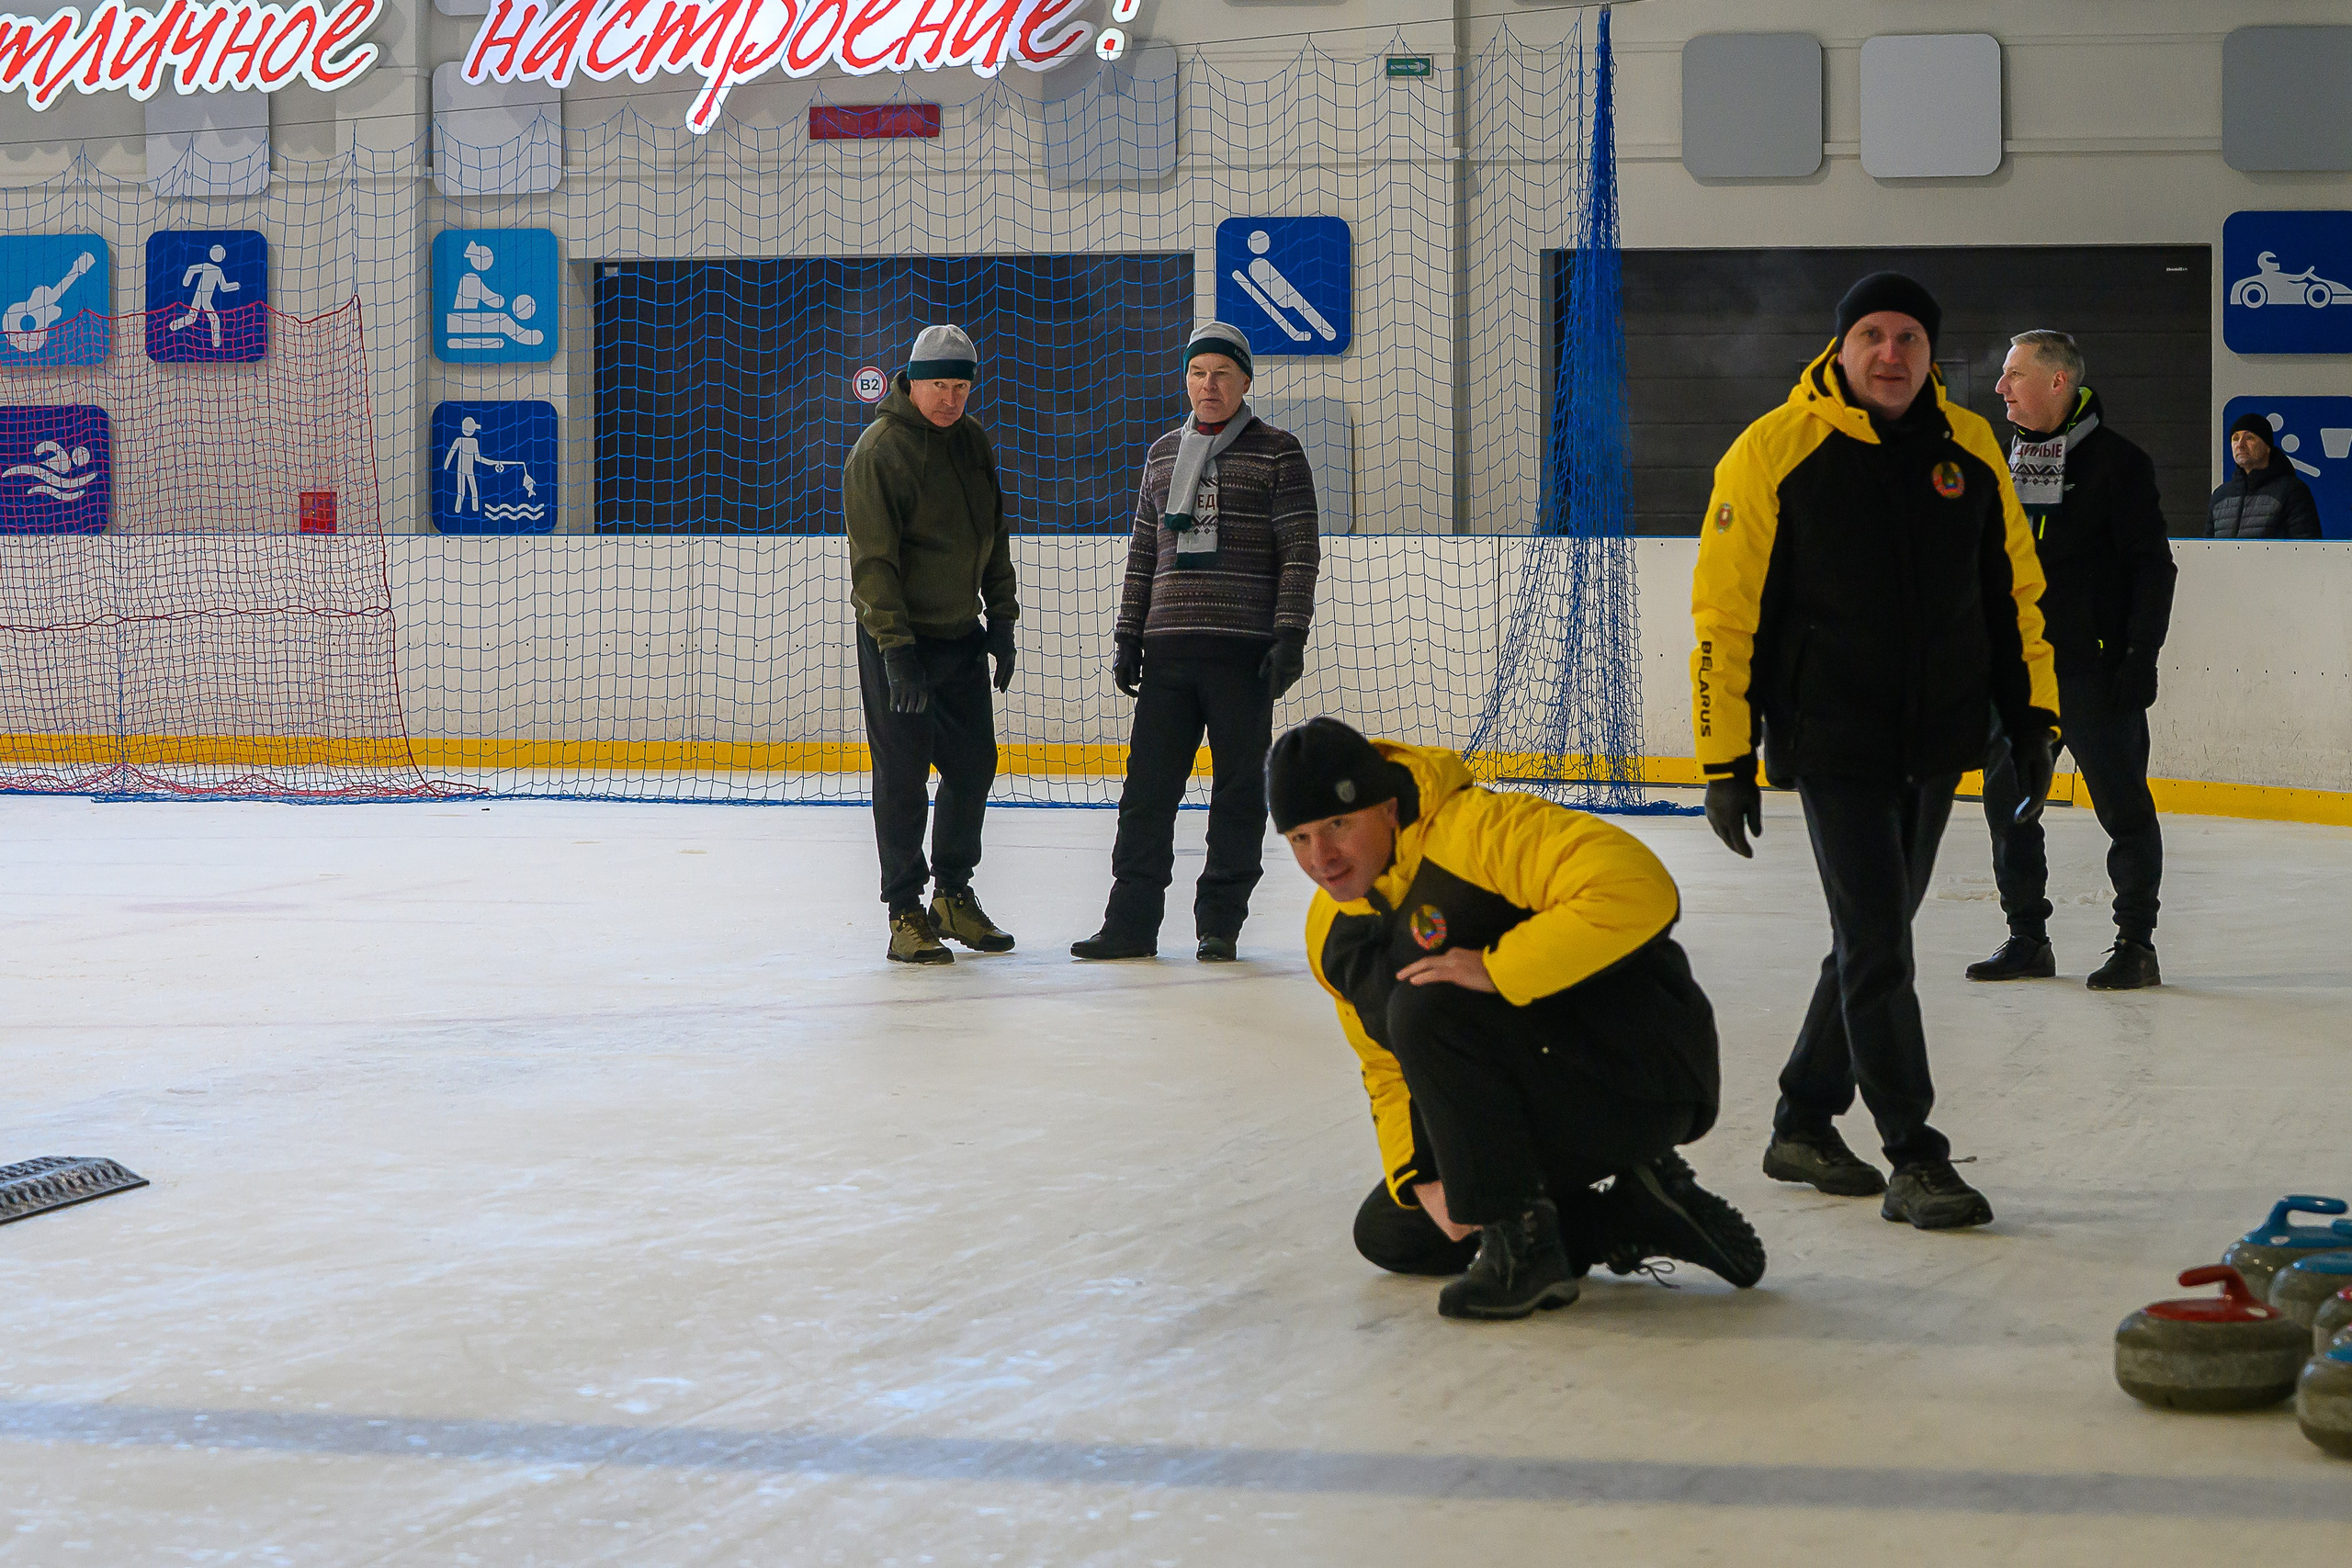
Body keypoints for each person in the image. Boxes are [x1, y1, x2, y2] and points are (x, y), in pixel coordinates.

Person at [1690, 272, 2060, 1231]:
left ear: (1930, 355)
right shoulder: (1774, 451)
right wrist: (1723, 759)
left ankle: (1803, 1120)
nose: (1890, 354)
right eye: (1872, 337)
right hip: (1831, 739)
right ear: (1840, 350)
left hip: (1937, 740)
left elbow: (2011, 596)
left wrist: (2033, 718)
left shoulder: (1970, 449)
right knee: (1877, 942)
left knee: (1873, 933)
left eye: (1908, 338)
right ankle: (1915, 1154)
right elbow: (1721, 622)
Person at [1273, 716, 1764, 1321]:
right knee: (1392, 1229)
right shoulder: (1332, 934)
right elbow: (1383, 1066)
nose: (1320, 857)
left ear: (1388, 809)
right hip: (1533, 1100)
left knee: (1425, 1003)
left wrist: (1497, 968)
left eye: (1337, 824)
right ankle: (1628, 1216)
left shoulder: (1479, 830)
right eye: (1298, 837)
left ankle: (1524, 1252)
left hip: (1641, 1077)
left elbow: (1642, 887)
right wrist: (1418, 1175)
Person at [1071, 321, 1319, 964]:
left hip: (1243, 652)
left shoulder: (1278, 451)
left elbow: (1299, 552)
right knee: (1146, 793)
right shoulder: (1161, 453)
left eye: (1222, 374)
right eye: (1198, 373)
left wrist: (1290, 634)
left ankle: (1220, 922)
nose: (1208, 385)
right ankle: (1129, 923)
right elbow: (1144, 552)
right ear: (1186, 379)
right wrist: (1128, 633)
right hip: (1169, 651)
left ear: (1245, 381)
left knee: (1239, 791)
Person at [1968, 331, 2177, 990]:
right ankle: (2027, 937)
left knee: (2123, 808)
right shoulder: (2004, 465)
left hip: (2094, 672)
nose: (2000, 387)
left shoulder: (2119, 464)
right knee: (2007, 806)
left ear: (2057, 381)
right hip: (2020, 673)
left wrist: (2140, 654)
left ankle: (2134, 943)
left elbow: (2153, 568)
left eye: (2013, 374)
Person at [845, 323, 1021, 965]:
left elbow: (993, 533)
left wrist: (1001, 617)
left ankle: (952, 894)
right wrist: (896, 651)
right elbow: (874, 564)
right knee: (902, 777)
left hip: (960, 637)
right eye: (938, 384)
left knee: (974, 765)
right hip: (901, 641)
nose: (949, 398)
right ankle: (904, 911)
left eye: (960, 385)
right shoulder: (879, 452)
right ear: (911, 381)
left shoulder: (972, 441)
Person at [2207, 412, 2322, 539]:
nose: (2240, 444)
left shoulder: (2291, 491)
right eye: (2235, 438)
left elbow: (2307, 548)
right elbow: (2207, 549)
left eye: (2249, 438)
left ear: (2267, 447)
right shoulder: (2220, 496)